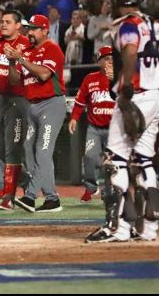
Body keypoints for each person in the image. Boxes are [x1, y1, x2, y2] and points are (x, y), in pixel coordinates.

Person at [85, 0, 159, 243]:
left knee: (115, 160)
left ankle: (117, 228)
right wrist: (158, 79)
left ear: (119, 1)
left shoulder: (129, 25)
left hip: (135, 97)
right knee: (144, 161)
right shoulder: (155, 25)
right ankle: (149, 229)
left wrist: (126, 86)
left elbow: (130, 52)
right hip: (155, 98)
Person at [7, 14, 67, 213]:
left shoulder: (52, 48)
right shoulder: (28, 52)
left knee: (43, 150)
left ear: (45, 30)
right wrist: (11, 62)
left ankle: (31, 196)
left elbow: (43, 74)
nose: (29, 32)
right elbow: (15, 81)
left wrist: (21, 59)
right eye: (28, 28)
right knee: (29, 150)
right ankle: (52, 198)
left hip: (51, 104)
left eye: (34, 28)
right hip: (33, 105)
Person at [0, 10, 32, 211]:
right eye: (2, 21)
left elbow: (21, 76)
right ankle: (27, 178)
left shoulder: (25, 44)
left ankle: (9, 197)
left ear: (18, 25)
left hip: (18, 100)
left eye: (8, 22)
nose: (3, 24)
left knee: (13, 147)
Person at [69, 46, 116, 203]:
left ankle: (109, 190)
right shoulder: (90, 79)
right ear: (99, 61)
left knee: (113, 163)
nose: (110, 61)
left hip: (114, 129)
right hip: (94, 127)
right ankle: (91, 187)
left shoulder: (121, 78)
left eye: (112, 58)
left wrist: (115, 80)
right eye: (106, 59)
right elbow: (79, 101)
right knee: (90, 156)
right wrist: (74, 118)